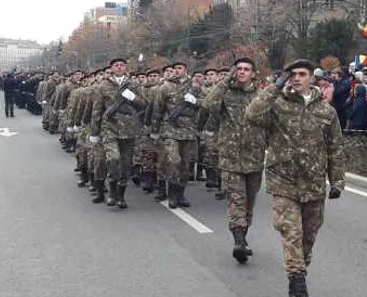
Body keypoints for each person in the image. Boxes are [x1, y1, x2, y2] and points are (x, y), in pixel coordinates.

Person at [246, 59, 344, 297]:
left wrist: (337, 180)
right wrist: (274, 87)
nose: (297, 78)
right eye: (293, 74)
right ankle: (301, 291)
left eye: (302, 74)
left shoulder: (326, 110)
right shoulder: (277, 105)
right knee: (292, 232)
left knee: (307, 239)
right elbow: (252, 115)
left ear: (312, 78)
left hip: (313, 184)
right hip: (283, 181)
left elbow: (335, 147)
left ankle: (294, 280)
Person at [203, 58, 266, 264]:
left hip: (254, 157)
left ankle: (243, 237)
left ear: (253, 73)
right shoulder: (226, 93)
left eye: (246, 69)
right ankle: (238, 241)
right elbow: (207, 104)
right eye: (238, 69)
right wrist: (224, 81)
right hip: (230, 156)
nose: (241, 72)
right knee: (236, 200)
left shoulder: (261, 95)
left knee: (249, 202)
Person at [90, 58, 148, 209]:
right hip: (110, 128)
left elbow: (145, 104)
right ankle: (112, 194)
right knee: (113, 159)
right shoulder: (103, 85)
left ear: (126, 68)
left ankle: (121, 197)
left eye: (122, 65)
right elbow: (97, 109)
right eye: (116, 65)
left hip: (129, 129)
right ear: (111, 68)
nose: (119, 67)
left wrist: (133, 97)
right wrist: (94, 132)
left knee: (126, 164)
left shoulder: (134, 84)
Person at [151, 60, 204, 209]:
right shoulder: (166, 87)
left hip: (188, 132)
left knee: (185, 166)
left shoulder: (195, 86)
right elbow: (158, 110)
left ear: (186, 69)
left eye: (180, 68)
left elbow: (208, 103)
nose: (176, 71)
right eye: (175, 69)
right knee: (174, 161)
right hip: (171, 131)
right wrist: (155, 131)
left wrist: (196, 101)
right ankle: (172, 195)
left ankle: (181, 194)